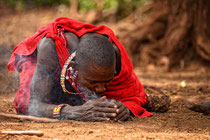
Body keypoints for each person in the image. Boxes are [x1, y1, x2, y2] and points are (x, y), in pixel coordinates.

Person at [8, 17, 166, 121]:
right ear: (75, 67)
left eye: (108, 81)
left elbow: (133, 93)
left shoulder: (115, 53)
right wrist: (73, 112)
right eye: (93, 82)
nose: (101, 89)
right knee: (28, 99)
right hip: (47, 68)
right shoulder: (51, 49)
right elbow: (33, 105)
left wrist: (125, 107)